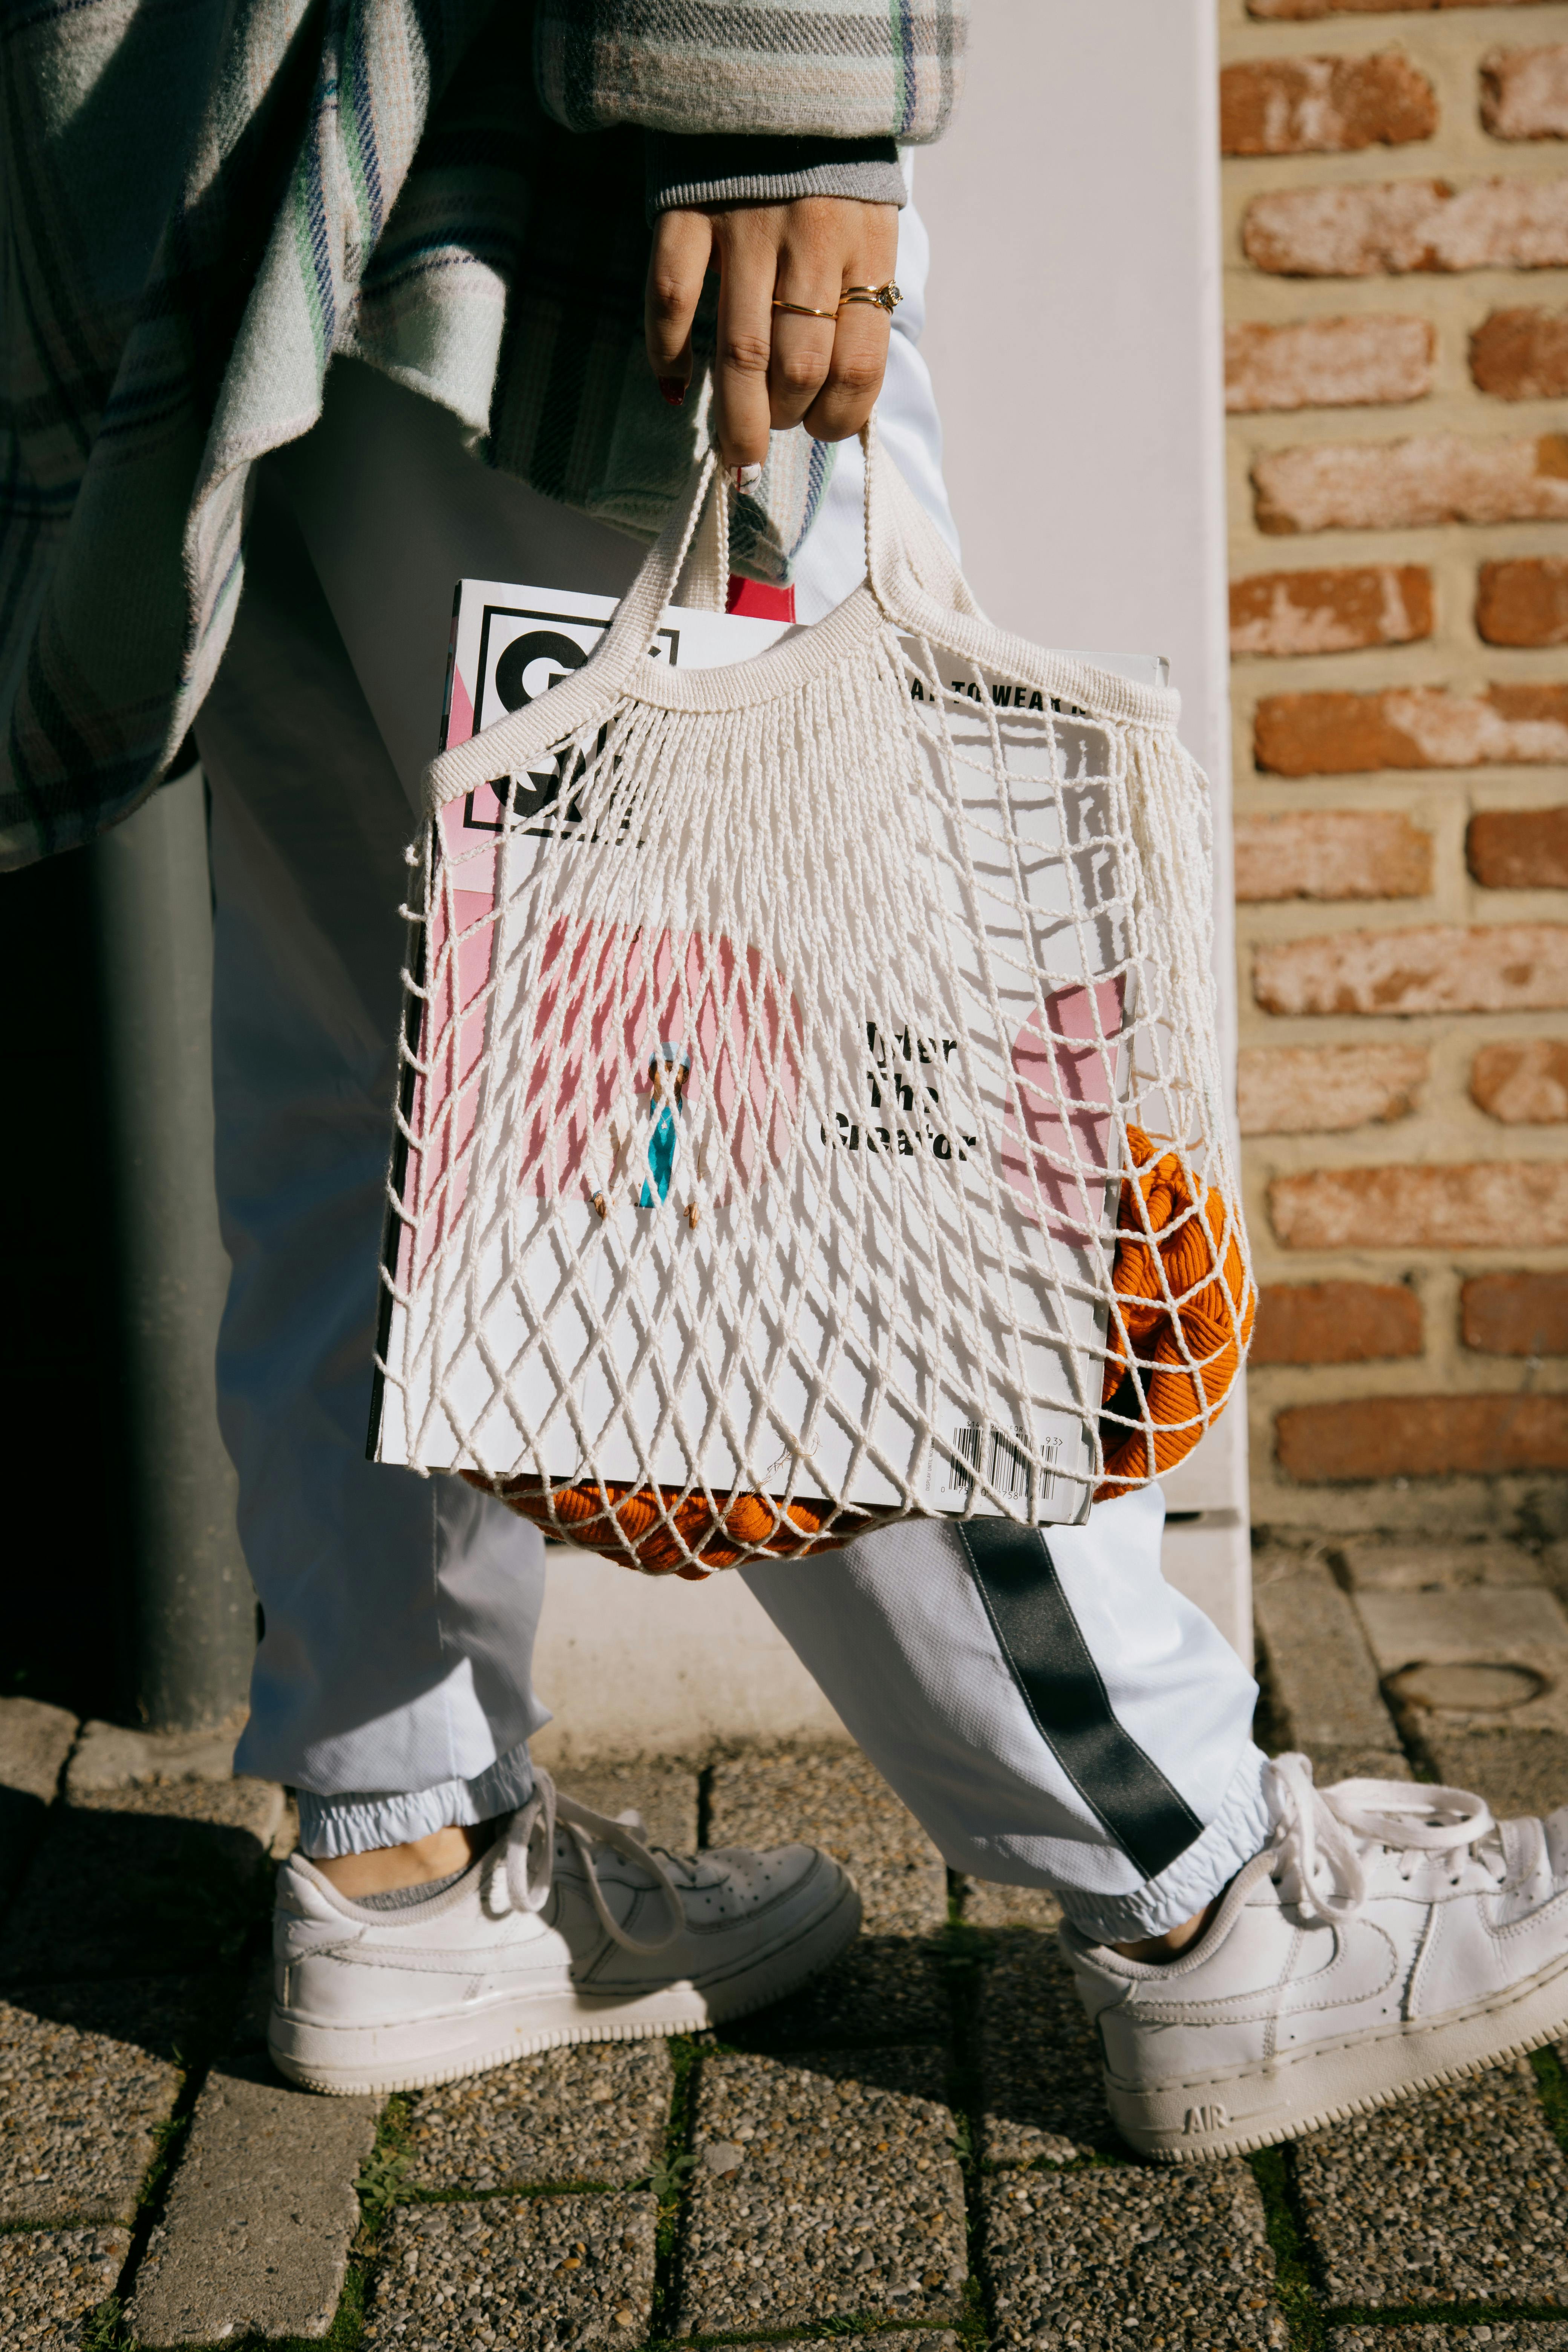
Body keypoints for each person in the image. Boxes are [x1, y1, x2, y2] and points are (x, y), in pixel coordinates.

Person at [8, 0, 1568, 2161]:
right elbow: (831, 1140)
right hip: (554, 139)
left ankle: (411, 1848)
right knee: (836, 1084)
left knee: (372, 1067)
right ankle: (1207, 1896)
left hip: (226, 154)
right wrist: (770, 82)